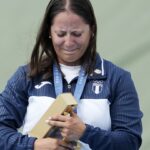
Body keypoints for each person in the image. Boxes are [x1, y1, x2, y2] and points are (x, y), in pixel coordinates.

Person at [0, 0, 143, 149]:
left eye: (77, 34)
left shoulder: (117, 79)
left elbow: (130, 141)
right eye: (61, 34)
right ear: (49, 31)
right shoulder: (27, 76)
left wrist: (85, 132)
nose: (68, 42)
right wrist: (33, 145)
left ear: (92, 30)